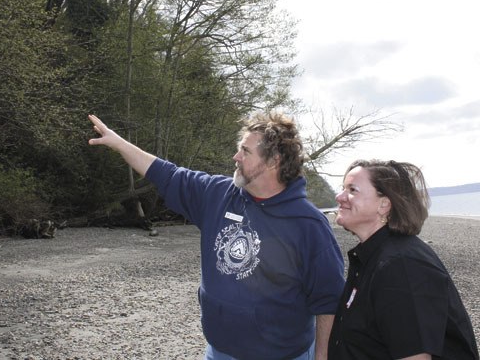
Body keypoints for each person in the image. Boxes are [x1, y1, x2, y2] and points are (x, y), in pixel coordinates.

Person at [88, 113, 345, 360]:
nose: (236, 157)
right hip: (219, 351)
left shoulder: (308, 223)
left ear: (273, 161)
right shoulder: (219, 194)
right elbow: (166, 173)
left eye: (245, 151)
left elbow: (329, 300)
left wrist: (322, 356)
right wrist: (117, 142)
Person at [328, 159, 479, 360]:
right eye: (343, 188)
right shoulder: (372, 257)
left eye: (352, 190)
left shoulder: (401, 266)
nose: (339, 196)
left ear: (384, 205)